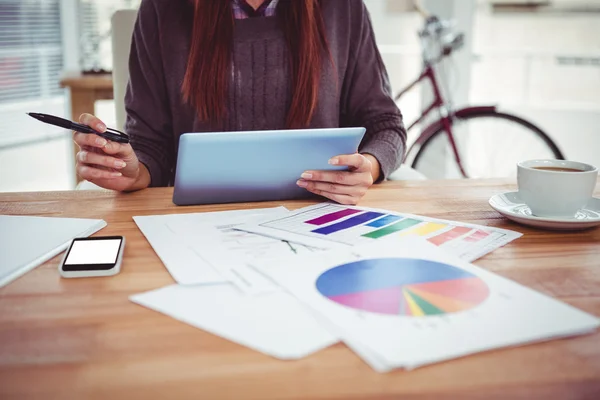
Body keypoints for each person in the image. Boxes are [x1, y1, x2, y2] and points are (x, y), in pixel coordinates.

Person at [73, 0, 406, 205]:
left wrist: (370, 166)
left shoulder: (343, 8)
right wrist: (133, 171)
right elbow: (150, 144)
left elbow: (385, 127)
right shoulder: (162, 9)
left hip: (316, 216)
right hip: (195, 224)